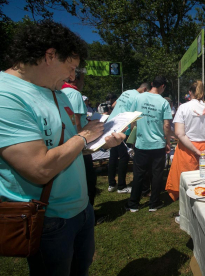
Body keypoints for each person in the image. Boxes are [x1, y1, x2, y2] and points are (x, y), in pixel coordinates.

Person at [0, 20, 125, 275]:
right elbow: (39, 169)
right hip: (48, 218)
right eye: (71, 68)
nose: (72, 77)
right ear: (49, 56)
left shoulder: (57, 93)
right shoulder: (6, 95)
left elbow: (70, 148)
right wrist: (84, 136)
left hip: (81, 209)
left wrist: (99, 143)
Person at [165, 80, 205, 201]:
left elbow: (179, 133)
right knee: (203, 182)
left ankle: (183, 212)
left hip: (186, 148)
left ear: (190, 92)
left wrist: (195, 150)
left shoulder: (183, 108)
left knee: (187, 183)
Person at [125, 76, 172, 212]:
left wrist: (133, 138)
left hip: (141, 143)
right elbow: (167, 125)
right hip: (158, 144)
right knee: (157, 174)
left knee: (138, 174)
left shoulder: (138, 98)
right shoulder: (164, 102)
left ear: (152, 84)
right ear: (163, 86)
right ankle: (154, 203)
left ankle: (133, 203)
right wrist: (168, 141)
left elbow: (133, 120)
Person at [61, 68, 97, 206]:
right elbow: (76, 122)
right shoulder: (75, 94)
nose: (83, 83)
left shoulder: (59, 92)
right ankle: (89, 212)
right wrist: (85, 139)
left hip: (66, 142)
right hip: (80, 144)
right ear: (74, 78)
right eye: (82, 79)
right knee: (88, 180)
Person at [107, 82, 150, 193]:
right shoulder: (138, 97)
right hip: (122, 127)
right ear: (144, 89)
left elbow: (113, 105)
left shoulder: (126, 92)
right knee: (124, 157)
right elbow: (134, 116)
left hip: (111, 124)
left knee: (113, 156)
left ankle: (111, 184)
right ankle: (121, 186)